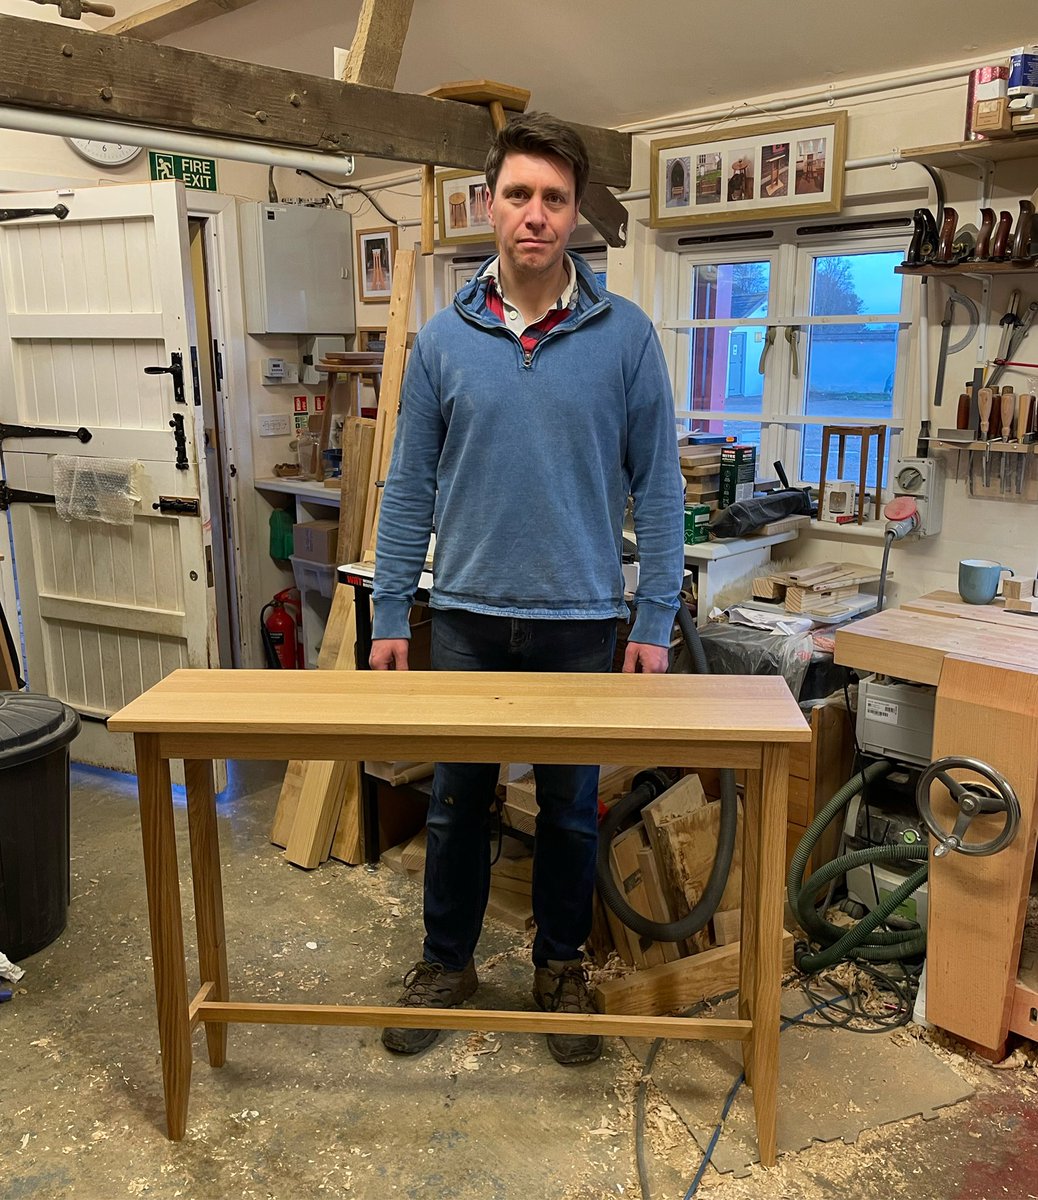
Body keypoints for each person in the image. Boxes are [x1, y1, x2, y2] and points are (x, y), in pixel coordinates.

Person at [370, 111, 685, 1065]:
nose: (535, 215)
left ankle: (559, 967)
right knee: (455, 804)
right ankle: (446, 962)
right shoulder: (443, 341)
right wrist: (390, 607)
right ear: (490, 206)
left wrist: (656, 615)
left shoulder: (624, 337)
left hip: (584, 620)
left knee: (570, 811)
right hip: (463, 615)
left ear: (575, 212)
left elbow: (659, 483)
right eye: (518, 195)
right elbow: (409, 483)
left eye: (553, 198)